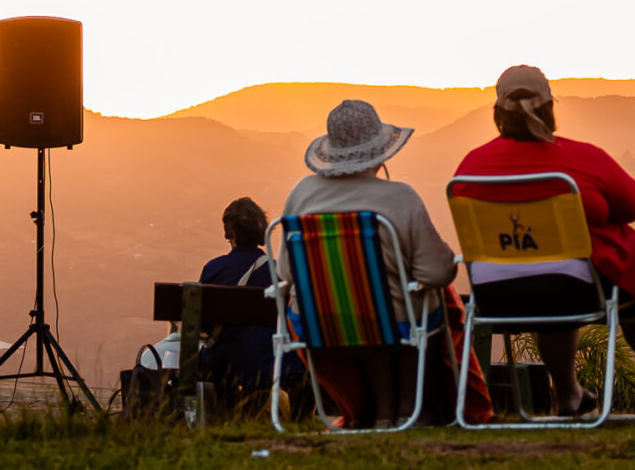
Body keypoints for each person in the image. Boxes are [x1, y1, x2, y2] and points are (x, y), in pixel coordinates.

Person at [453, 65, 635, 417]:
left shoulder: (471, 167)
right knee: (575, 272)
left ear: (498, 114)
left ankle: (569, 396)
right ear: (549, 107)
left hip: (496, 295)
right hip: (573, 291)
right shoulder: (583, 158)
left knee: (551, 274)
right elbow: (632, 207)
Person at [281, 99, 491, 426]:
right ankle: (411, 409)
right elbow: (438, 271)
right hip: (393, 320)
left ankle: (377, 411)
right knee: (424, 302)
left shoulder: (301, 195)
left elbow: (285, 272)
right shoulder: (399, 197)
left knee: (370, 313)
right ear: (380, 156)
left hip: (321, 320)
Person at [194, 198, 276, 400]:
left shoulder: (214, 269)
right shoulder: (278, 271)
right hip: (269, 363)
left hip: (222, 363)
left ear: (228, 232)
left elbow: (202, 325)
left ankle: (228, 415)